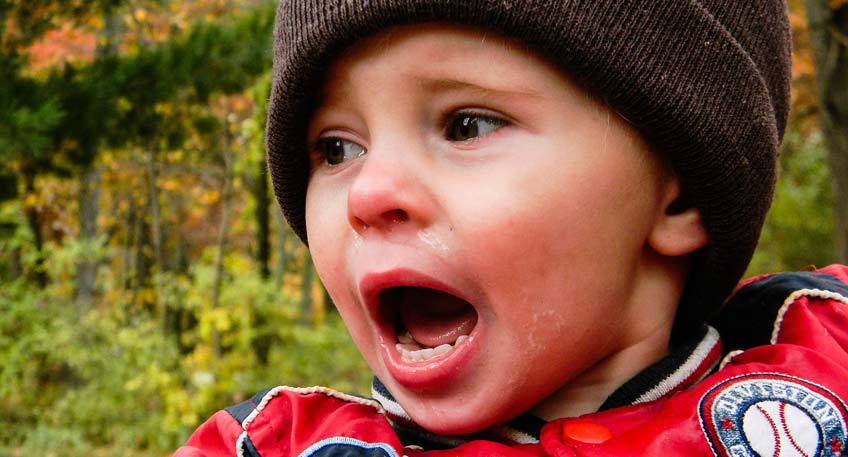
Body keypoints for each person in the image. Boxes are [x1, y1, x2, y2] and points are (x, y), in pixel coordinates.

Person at [175, 1, 848, 456]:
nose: (370, 193)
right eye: (336, 149)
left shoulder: (825, 355)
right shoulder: (278, 444)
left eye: (466, 125)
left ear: (679, 198)